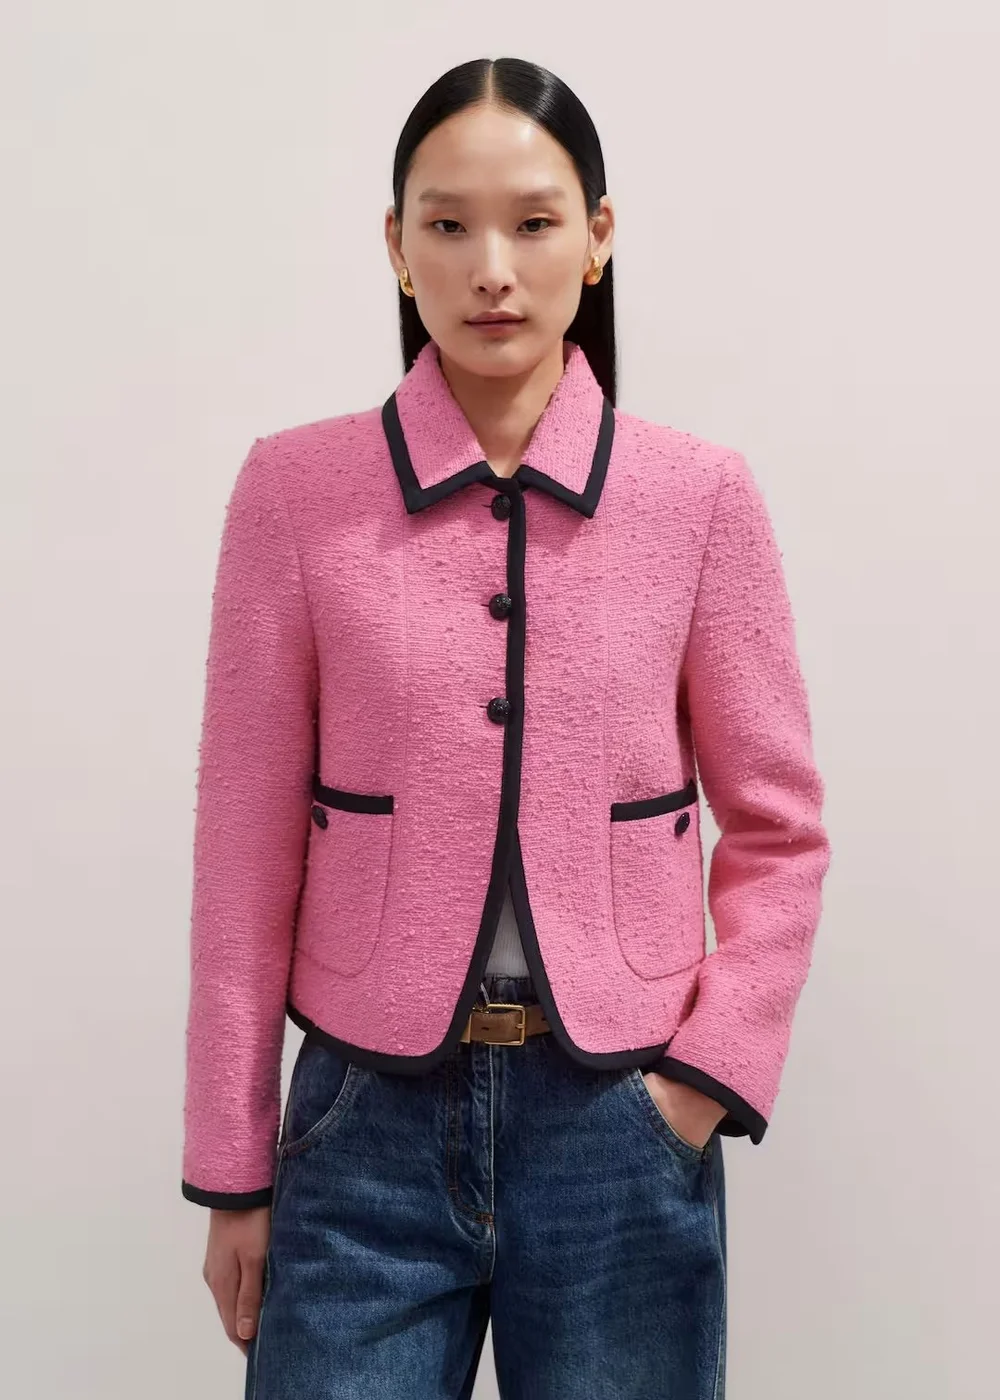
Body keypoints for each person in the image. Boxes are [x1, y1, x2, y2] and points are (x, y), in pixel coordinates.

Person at [181, 55, 831, 1399]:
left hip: (622, 1124)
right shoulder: (294, 494)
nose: (492, 270)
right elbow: (242, 850)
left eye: (534, 223)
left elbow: (779, 830)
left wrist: (701, 1083)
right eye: (448, 224)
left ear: (598, 237)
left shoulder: (700, 499)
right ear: (395, 245)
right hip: (359, 1128)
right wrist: (233, 1169)